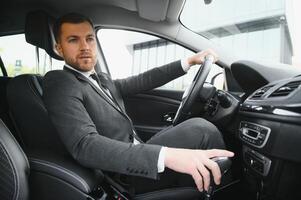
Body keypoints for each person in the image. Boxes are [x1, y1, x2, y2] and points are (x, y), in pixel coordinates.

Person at [42, 13, 234, 195]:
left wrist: (189, 61)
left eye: (89, 38)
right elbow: (85, 145)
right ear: (59, 48)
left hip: (137, 149)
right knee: (202, 129)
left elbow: (145, 79)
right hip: (123, 174)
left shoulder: (101, 79)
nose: (85, 46)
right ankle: (226, 194)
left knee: (196, 126)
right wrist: (167, 156)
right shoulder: (60, 82)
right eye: (73, 40)